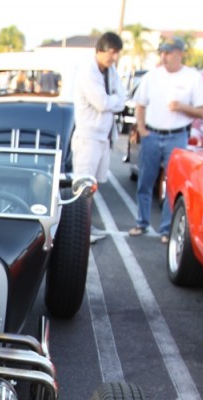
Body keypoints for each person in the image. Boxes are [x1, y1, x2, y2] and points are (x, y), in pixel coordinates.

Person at [129, 37, 203, 244]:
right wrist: (143, 128)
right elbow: (140, 104)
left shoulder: (193, 78)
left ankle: (166, 229)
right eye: (162, 52)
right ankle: (142, 222)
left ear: (180, 54)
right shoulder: (152, 76)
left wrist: (183, 107)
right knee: (145, 180)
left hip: (177, 135)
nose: (164, 57)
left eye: (169, 52)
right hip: (153, 134)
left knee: (172, 183)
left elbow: (201, 111)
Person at [72, 32, 126, 244]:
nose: (113, 58)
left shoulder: (110, 71)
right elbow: (102, 103)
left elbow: (121, 98)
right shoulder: (88, 71)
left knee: (94, 185)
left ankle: (86, 226)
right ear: (100, 51)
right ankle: (78, 229)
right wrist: (113, 101)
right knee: (83, 184)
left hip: (103, 135)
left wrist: (112, 101)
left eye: (116, 53)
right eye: (111, 53)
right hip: (88, 136)